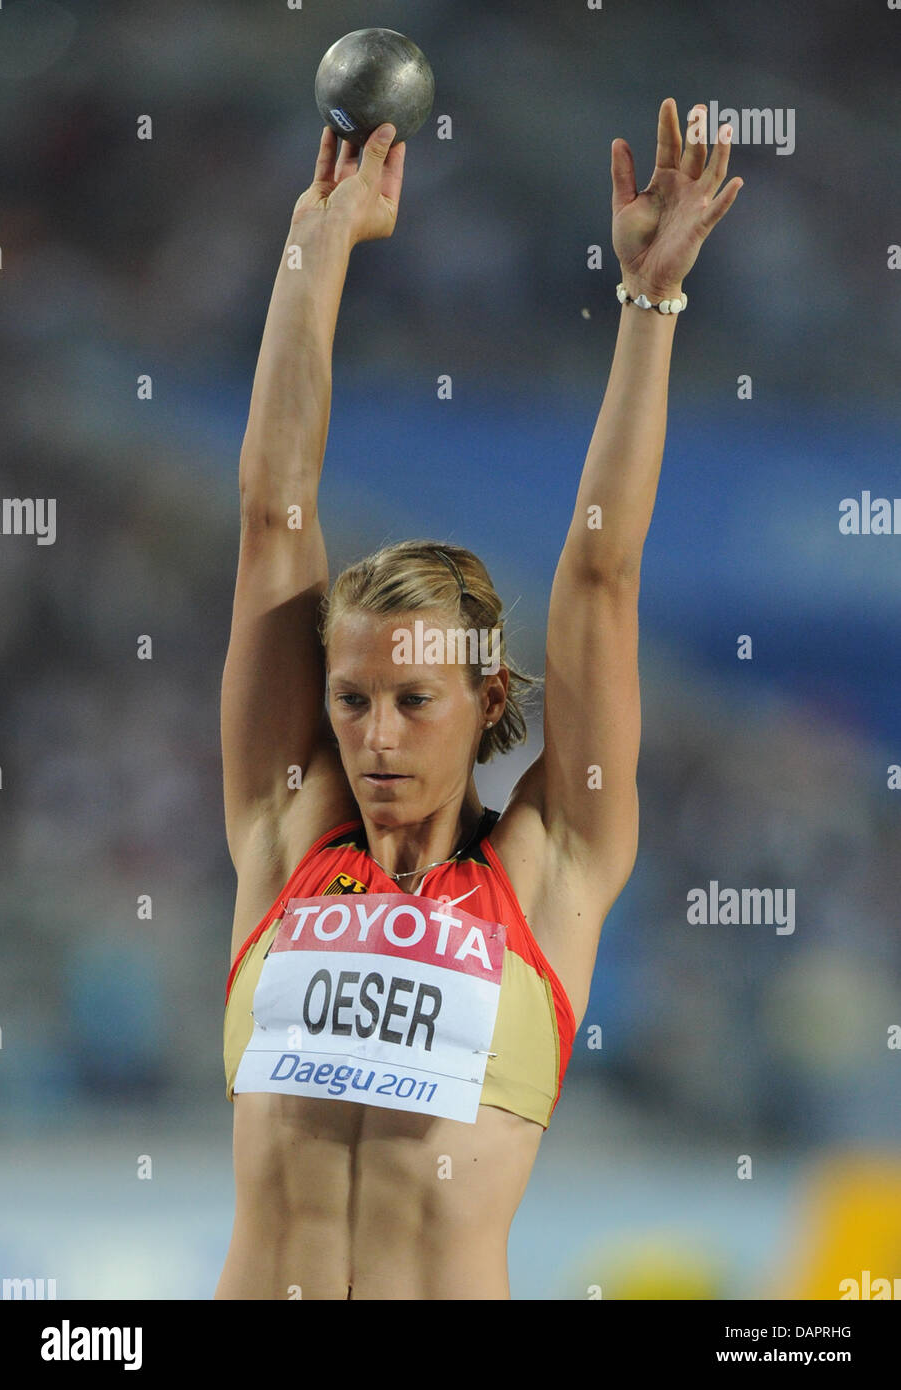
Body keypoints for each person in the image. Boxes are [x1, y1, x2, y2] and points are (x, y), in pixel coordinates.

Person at [214, 100, 741, 1300]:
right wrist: (320, 240)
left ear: (487, 693)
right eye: (349, 700)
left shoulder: (554, 868)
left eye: (413, 698)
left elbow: (602, 575)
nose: (373, 737)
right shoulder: (282, 831)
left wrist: (649, 304)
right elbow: (270, 513)